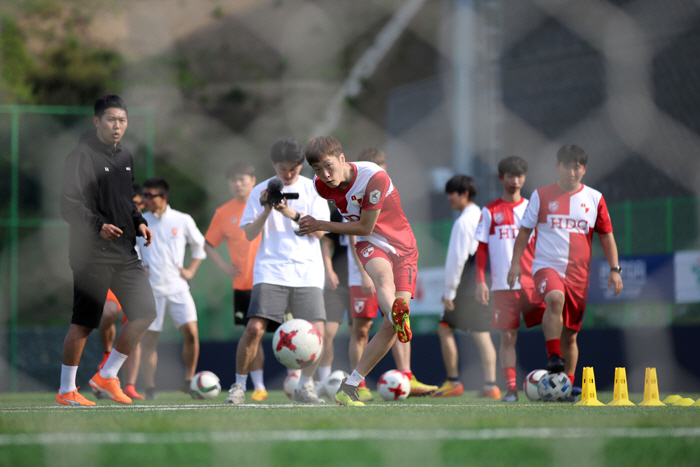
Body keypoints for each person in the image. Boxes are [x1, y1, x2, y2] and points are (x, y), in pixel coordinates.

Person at [299, 136, 417, 407]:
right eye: (317, 170)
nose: (325, 175)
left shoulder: (374, 177)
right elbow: (365, 234)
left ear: (342, 159)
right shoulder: (321, 187)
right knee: (383, 279)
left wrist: (321, 223)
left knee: (388, 326)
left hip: (403, 247)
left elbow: (364, 225)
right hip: (370, 244)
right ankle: (396, 313)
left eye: (328, 166)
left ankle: (349, 386)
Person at [57, 94, 156, 406]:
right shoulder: (81, 156)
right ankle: (66, 391)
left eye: (122, 120)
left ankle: (107, 375)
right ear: (97, 120)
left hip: (125, 251)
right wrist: (97, 225)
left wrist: (139, 221)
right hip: (91, 252)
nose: (118, 126)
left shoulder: (125, 155)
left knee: (144, 312)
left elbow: (126, 200)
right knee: (84, 322)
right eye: (112, 119)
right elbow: (68, 204)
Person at [507, 144, 624, 392]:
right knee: (554, 298)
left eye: (576, 167)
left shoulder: (595, 199)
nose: (571, 172)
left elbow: (606, 236)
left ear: (584, 169)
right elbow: (525, 231)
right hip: (547, 267)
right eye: (566, 167)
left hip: (579, 276)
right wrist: (515, 264)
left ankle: (566, 386)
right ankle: (553, 357)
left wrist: (615, 269)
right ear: (557, 167)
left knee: (571, 336)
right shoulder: (541, 195)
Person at [224, 137, 330, 404]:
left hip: (307, 270)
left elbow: (319, 233)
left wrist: (290, 213)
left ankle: (306, 386)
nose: (289, 173)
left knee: (318, 331)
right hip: (271, 269)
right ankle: (238, 386)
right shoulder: (259, 191)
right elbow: (248, 234)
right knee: (254, 328)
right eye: (283, 168)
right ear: (274, 165)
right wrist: (267, 208)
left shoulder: (314, 189)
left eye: (294, 167)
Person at [348, 148, 437, 399]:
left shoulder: (386, 190)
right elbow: (354, 236)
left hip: (394, 258)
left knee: (396, 321)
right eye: (374, 165)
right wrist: (363, 273)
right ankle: (360, 384)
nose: (379, 170)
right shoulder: (352, 196)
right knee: (362, 329)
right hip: (365, 269)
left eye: (382, 165)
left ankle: (406, 375)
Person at [474, 156, 546, 402]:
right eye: (510, 176)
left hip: (533, 283)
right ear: (501, 178)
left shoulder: (532, 209)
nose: (515, 181)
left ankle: (558, 381)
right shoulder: (490, 211)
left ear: (525, 178)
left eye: (520, 176)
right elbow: (481, 248)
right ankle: (512, 389)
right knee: (507, 336)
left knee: (552, 328)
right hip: (504, 286)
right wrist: (481, 281)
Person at [136, 177, 207, 400]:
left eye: (150, 195)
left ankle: (188, 380)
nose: (145, 199)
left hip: (178, 288)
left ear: (163, 197)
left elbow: (199, 247)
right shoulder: (140, 221)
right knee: (150, 340)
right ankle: (150, 387)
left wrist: (191, 271)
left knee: (192, 333)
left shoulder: (182, 219)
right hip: (151, 290)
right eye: (144, 195)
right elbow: (132, 251)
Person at [432, 175, 500, 400]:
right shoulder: (485, 216)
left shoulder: (463, 221)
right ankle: (491, 386)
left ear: (465, 194)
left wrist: (450, 291)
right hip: (486, 283)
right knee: (482, 334)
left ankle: (453, 382)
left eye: (453, 193)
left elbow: (457, 258)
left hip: (466, 285)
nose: (449, 197)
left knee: (445, 328)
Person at [204, 161, 266, 401]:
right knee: (254, 335)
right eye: (233, 180)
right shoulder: (223, 212)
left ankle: (297, 380)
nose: (238, 184)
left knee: (290, 332)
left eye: (243, 179)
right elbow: (209, 244)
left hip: (274, 279)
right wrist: (223, 266)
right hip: (244, 285)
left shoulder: (267, 204)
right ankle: (259, 387)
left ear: (253, 180)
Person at [95, 184, 146, 401]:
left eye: (137, 203)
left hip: (138, 278)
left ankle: (130, 385)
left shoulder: (150, 222)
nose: (133, 206)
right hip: (114, 273)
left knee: (136, 328)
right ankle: (107, 359)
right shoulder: (110, 218)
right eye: (130, 203)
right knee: (108, 312)